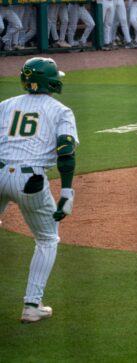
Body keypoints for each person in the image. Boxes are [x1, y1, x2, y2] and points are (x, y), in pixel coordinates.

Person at [0, 57, 79, 323]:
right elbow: (66, 153)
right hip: (29, 182)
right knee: (47, 239)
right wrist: (66, 193)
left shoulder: (5, 106)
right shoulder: (61, 111)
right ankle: (32, 305)